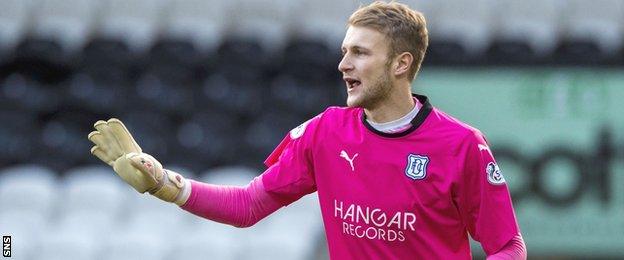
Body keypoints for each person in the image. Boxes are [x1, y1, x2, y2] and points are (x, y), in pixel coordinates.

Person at [88, 1, 526, 259]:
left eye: (359, 52)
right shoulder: (325, 132)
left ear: (400, 63)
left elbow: (507, 244)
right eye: (343, 51)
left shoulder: (461, 145)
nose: (343, 64)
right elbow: (247, 205)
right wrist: (166, 183)